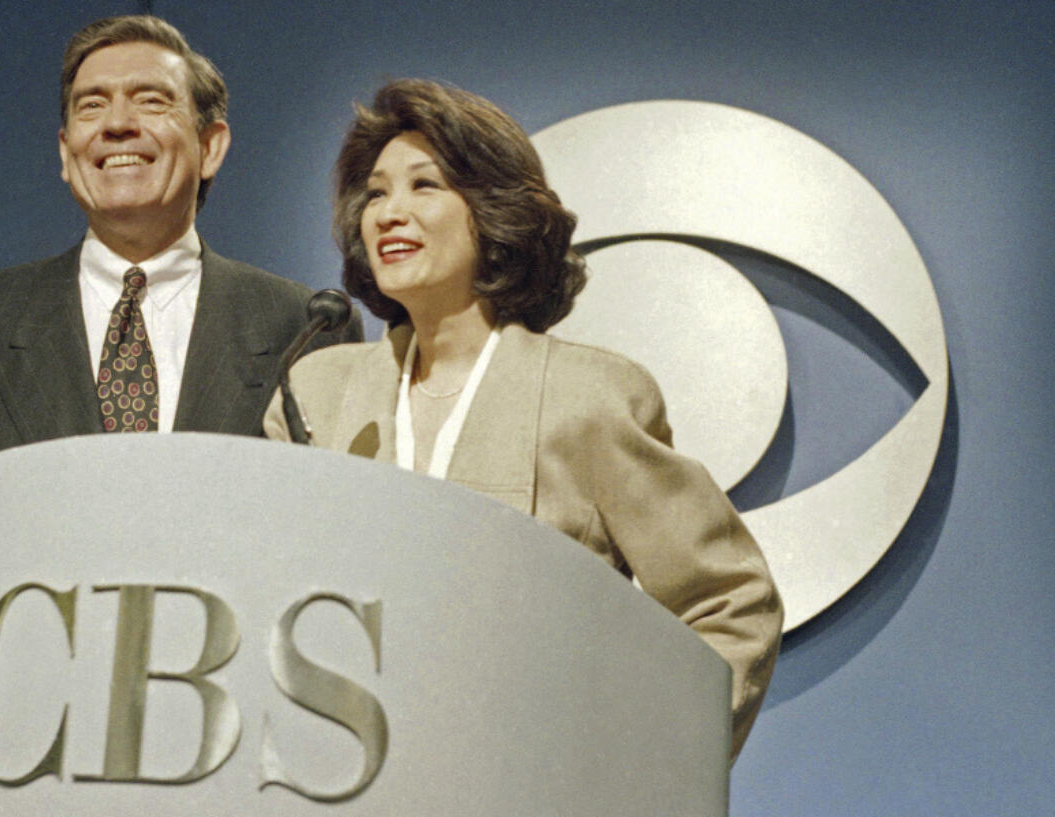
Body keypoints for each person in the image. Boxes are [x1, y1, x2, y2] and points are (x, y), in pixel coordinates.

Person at [0, 15, 361, 758]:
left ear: (212, 145)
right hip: (21, 756)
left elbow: (333, 567)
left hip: (233, 759)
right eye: (90, 107)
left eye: (151, 102)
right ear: (65, 154)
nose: (117, 125)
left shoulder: (307, 327)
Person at [265, 79, 782, 760]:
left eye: (425, 186)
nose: (390, 212)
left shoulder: (588, 397)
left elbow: (728, 602)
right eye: (377, 192)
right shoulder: (316, 395)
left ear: (492, 212)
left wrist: (641, 768)